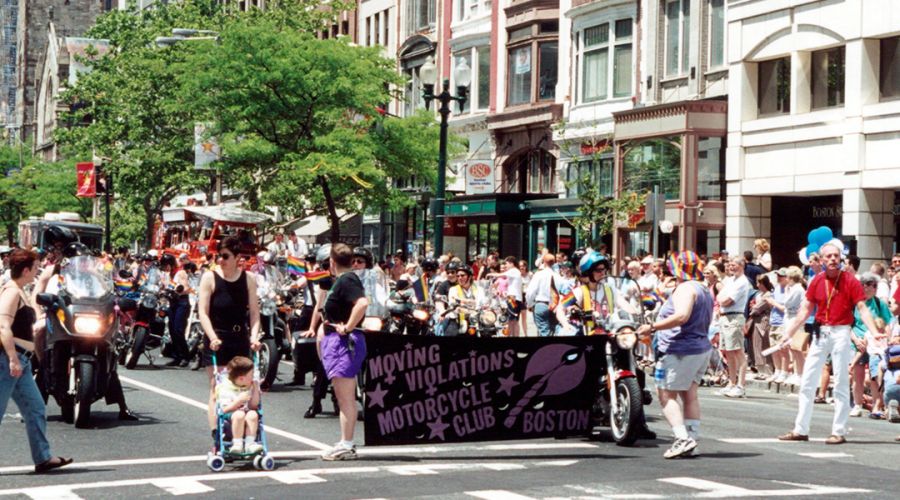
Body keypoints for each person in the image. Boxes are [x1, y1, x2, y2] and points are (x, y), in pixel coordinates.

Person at [776, 242, 883, 445]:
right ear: (823, 260)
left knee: (842, 380)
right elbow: (805, 310)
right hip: (821, 332)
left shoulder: (850, 280)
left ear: (841, 258)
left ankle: (838, 431)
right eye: (829, 257)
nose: (833, 259)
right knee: (808, 380)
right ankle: (800, 429)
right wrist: (788, 332)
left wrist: (875, 332)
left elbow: (862, 308)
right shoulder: (817, 280)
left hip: (841, 332)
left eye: (836, 256)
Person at [0, 249, 73, 473]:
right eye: (35, 267)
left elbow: (34, 305)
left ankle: (43, 458)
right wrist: (12, 359)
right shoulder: (11, 292)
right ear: (25, 269)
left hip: (21, 359)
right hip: (8, 359)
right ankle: (43, 457)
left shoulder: (20, 290)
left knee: (36, 408)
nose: (37, 270)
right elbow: (2, 325)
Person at [636, 251, 713, 459]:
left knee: (666, 394)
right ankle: (692, 439)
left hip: (680, 348)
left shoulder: (685, 289)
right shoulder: (704, 289)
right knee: (690, 394)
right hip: (699, 347)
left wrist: (652, 327)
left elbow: (681, 316)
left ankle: (682, 438)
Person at [198, 236, 261, 438]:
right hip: (217, 338)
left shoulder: (248, 279)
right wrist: (212, 336)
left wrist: (254, 337)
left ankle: (241, 431)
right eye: (218, 256)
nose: (220, 260)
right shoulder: (209, 277)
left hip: (239, 338)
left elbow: (254, 314)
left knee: (243, 385)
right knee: (218, 387)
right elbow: (203, 312)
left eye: (225, 256)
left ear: (237, 258)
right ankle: (217, 432)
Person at [318, 243, 368, 461]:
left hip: (343, 343)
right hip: (337, 342)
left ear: (331, 261)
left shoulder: (347, 279)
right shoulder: (344, 280)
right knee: (342, 395)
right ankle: (345, 441)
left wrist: (347, 327)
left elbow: (363, 303)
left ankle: (347, 443)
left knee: (345, 397)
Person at [849, 272, 891, 418]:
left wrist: (887, 341)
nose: (870, 288)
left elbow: (887, 323)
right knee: (857, 376)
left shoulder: (880, 304)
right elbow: (848, 324)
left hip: (875, 344)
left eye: (873, 285)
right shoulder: (855, 304)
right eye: (867, 284)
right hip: (859, 342)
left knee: (875, 377)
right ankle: (857, 404)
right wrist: (855, 340)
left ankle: (876, 405)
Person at [716, 257, 752, 397]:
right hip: (725, 317)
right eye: (730, 265)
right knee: (728, 351)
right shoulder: (730, 281)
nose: (731, 267)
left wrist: (722, 300)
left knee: (738, 351)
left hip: (735, 317)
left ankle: (741, 385)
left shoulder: (743, 282)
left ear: (742, 266)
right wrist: (721, 300)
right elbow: (719, 297)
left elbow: (727, 300)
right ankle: (731, 383)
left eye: (734, 265)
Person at [216, 356, 263, 454]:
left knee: (253, 414)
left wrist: (255, 389)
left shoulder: (250, 386)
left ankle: (250, 443)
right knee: (239, 415)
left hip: (247, 411)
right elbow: (224, 410)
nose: (253, 377)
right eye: (251, 375)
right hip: (230, 414)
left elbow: (254, 406)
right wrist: (237, 402)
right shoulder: (226, 388)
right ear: (242, 378)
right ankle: (237, 443)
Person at [166, 254, 192, 367]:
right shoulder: (168, 273)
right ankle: (176, 356)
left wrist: (177, 291)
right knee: (171, 328)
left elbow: (186, 288)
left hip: (182, 302)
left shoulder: (180, 272)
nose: (165, 267)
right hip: (172, 302)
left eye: (166, 265)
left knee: (178, 330)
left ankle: (185, 356)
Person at [444, 265, 485, 337]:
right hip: (457, 320)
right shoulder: (453, 289)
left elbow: (480, 303)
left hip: (475, 320)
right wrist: (471, 302)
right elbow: (454, 304)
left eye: (462, 275)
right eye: (458, 276)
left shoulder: (479, 289)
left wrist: (462, 301)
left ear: (470, 276)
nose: (460, 278)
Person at [525, 253, 560, 337]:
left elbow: (531, 291)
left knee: (544, 332)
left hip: (541, 304)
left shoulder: (539, 274)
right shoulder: (557, 275)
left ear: (543, 261)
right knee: (552, 331)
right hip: (554, 305)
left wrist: (529, 304)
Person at [746, 275, 774, 378]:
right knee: (756, 345)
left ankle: (768, 370)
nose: (757, 285)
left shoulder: (768, 295)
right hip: (756, 321)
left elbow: (757, 308)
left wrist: (754, 307)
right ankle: (761, 369)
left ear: (763, 283)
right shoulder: (758, 294)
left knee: (764, 344)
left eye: (759, 283)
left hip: (763, 321)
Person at [766, 268, 790, 383]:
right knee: (774, 348)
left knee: (783, 349)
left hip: (783, 322)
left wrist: (773, 302)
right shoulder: (776, 289)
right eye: (778, 276)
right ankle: (777, 370)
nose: (778, 278)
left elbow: (785, 308)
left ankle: (785, 372)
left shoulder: (789, 290)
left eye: (781, 276)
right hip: (773, 321)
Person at [488, 257, 523, 337]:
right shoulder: (516, 272)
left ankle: (513, 336)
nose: (505, 266)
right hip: (515, 298)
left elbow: (500, 275)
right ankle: (512, 335)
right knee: (513, 320)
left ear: (511, 263)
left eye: (506, 264)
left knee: (512, 320)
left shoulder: (513, 271)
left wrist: (490, 274)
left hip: (513, 298)